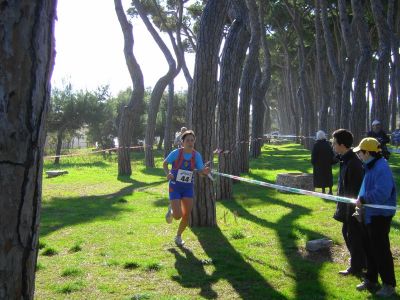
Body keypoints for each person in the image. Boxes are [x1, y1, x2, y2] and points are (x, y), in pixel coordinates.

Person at [353, 137, 397, 297]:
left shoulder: (381, 167)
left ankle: (389, 285)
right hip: (369, 214)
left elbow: (382, 193)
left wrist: (364, 200)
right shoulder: (370, 166)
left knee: (381, 250)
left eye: (361, 152)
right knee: (368, 247)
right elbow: (365, 188)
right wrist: (360, 204)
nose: (359, 155)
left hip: (380, 215)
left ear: (368, 152)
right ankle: (371, 279)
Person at [163, 130, 210, 246]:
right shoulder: (176, 153)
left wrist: (204, 172)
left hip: (188, 187)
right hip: (175, 186)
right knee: (178, 216)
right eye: (187, 140)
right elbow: (165, 163)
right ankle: (172, 210)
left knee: (186, 215)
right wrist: (167, 173)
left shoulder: (196, 155)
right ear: (182, 142)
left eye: (192, 140)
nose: (190, 142)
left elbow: (200, 172)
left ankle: (178, 236)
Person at [332, 129, 366, 277]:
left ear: (342, 145)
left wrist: (353, 210)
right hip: (346, 207)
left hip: (353, 209)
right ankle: (360, 262)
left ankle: (357, 266)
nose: (333, 146)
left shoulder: (354, 163)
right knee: (348, 233)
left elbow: (356, 189)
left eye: (334, 143)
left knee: (352, 235)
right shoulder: (345, 160)